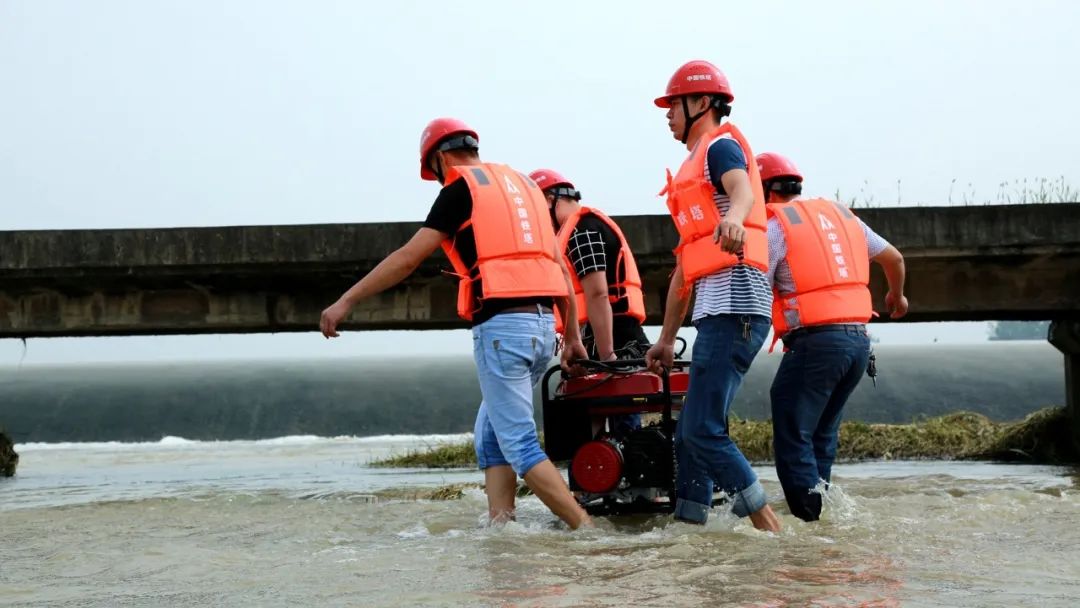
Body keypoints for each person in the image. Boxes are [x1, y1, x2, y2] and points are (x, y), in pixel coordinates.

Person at [319, 117, 592, 530]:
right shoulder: (527, 187)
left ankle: (586, 529)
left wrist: (346, 300)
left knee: (519, 445)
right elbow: (557, 266)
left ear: (441, 159)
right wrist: (570, 334)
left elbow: (409, 258)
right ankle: (502, 529)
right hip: (543, 329)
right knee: (491, 435)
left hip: (503, 330)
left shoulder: (461, 188)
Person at [644, 60, 780, 531]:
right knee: (688, 434)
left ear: (701, 103)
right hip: (716, 311)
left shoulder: (719, 148)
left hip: (737, 306)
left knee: (702, 428)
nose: (666, 115)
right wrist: (664, 339)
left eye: (672, 105)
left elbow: (741, 188)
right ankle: (690, 528)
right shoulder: (690, 169)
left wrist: (737, 218)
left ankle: (769, 528)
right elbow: (684, 272)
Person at [756, 151, 908, 521]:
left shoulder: (775, 228)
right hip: (857, 344)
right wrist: (896, 295)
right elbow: (895, 259)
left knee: (793, 432)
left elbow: (759, 287)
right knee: (822, 434)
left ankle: (808, 523)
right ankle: (822, 516)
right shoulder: (844, 220)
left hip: (815, 344)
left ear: (763, 192)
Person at [530, 168, 650, 437]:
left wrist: (607, 358)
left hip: (613, 343)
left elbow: (597, 293)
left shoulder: (581, 230)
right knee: (613, 431)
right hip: (617, 338)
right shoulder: (589, 225)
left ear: (549, 200)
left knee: (609, 434)